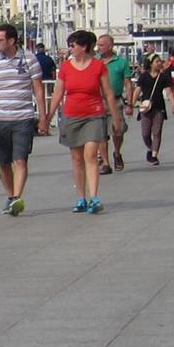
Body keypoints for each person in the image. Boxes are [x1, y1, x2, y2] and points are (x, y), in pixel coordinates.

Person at [0, 23, 48, 216]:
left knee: (20, 159)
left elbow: (38, 89)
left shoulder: (29, 59)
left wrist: (44, 117)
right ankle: (11, 195)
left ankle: (16, 198)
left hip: (23, 117)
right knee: (3, 162)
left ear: (11, 40)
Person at [47, 29, 121, 214]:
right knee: (77, 157)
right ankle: (81, 197)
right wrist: (47, 117)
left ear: (84, 46)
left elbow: (108, 93)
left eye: (72, 45)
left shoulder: (98, 66)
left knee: (90, 154)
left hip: (94, 115)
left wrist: (116, 118)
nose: (70, 49)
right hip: (72, 115)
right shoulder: (66, 67)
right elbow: (58, 93)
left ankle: (94, 197)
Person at [97, 32, 134, 173]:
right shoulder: (95, 61)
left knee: (117, 131)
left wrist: (129, 103)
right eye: (98, 45)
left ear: (110, 46)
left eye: (101, 45)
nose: (98, 48)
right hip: (99, 101)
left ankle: (117, 152)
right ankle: (106, 163)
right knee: (101, 134)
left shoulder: (121, 62)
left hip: (116, 100)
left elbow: (128, 83)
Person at [137, 51, 170, 164]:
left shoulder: (163, 77)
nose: (159, 63)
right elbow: (138, 90)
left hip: (159, 107)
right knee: (145, 134)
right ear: (150, 64)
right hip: (145, 107)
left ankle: (154, 155)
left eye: (160, 61)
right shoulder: (144, 76)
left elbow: (169, 91)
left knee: (157, 132)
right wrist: (131, 103)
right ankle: (151, 149)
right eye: (157, 61)